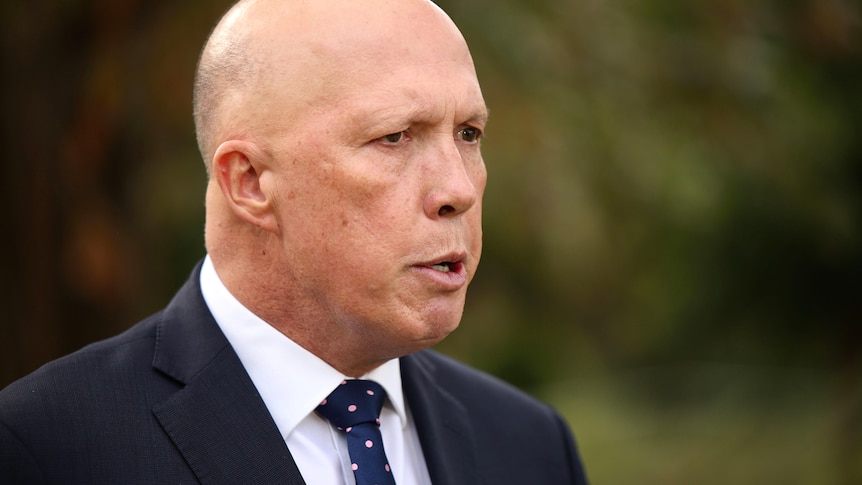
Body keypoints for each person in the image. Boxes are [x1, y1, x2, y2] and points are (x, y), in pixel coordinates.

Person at [0, 0, 589, 483]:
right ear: (250, 182)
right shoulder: (45, 448)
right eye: (393, 137)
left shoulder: (531, 446)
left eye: (468, 133)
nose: (458, 189)